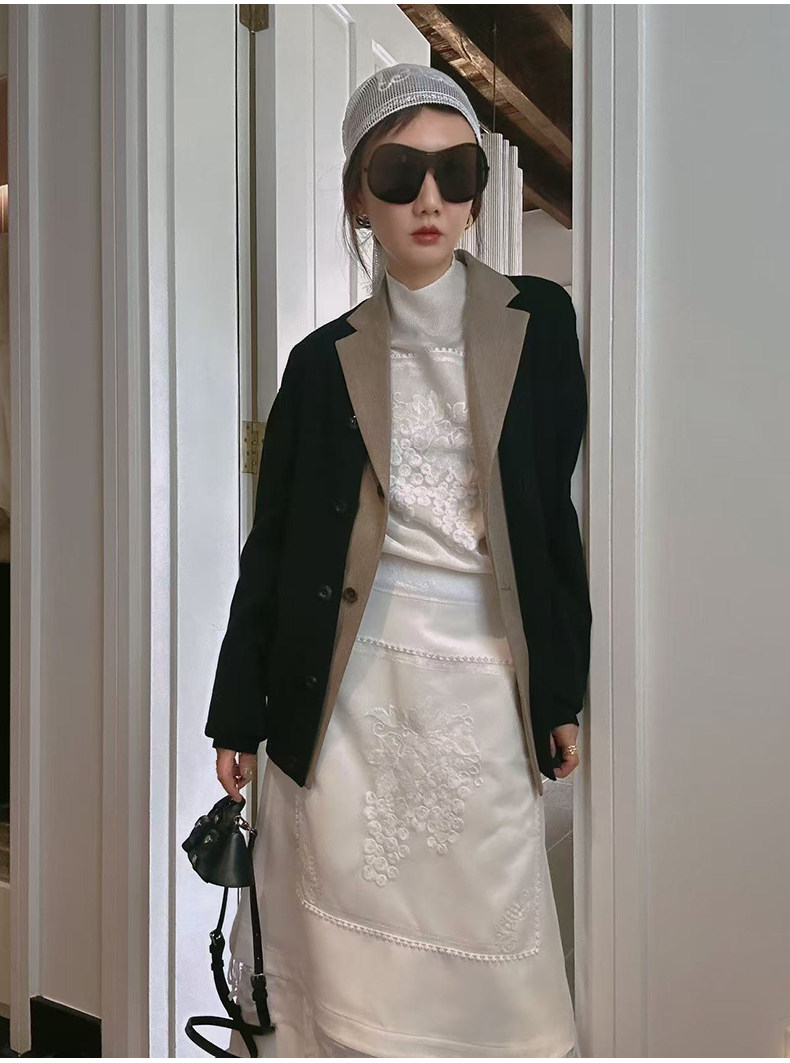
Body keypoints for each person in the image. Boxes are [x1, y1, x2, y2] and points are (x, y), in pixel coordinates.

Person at [206, 63, 590, 1058]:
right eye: (398, 172)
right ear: (357, 197)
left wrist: (560, 690)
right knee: (339, 969)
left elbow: (551, 520)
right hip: (344, 692)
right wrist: (238, 709)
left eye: (455, 173)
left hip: (478, 684)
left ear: (476, 193)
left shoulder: (541, 323)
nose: (429, 199)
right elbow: (275, 546)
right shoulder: (318, 361)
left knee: (489, 961)